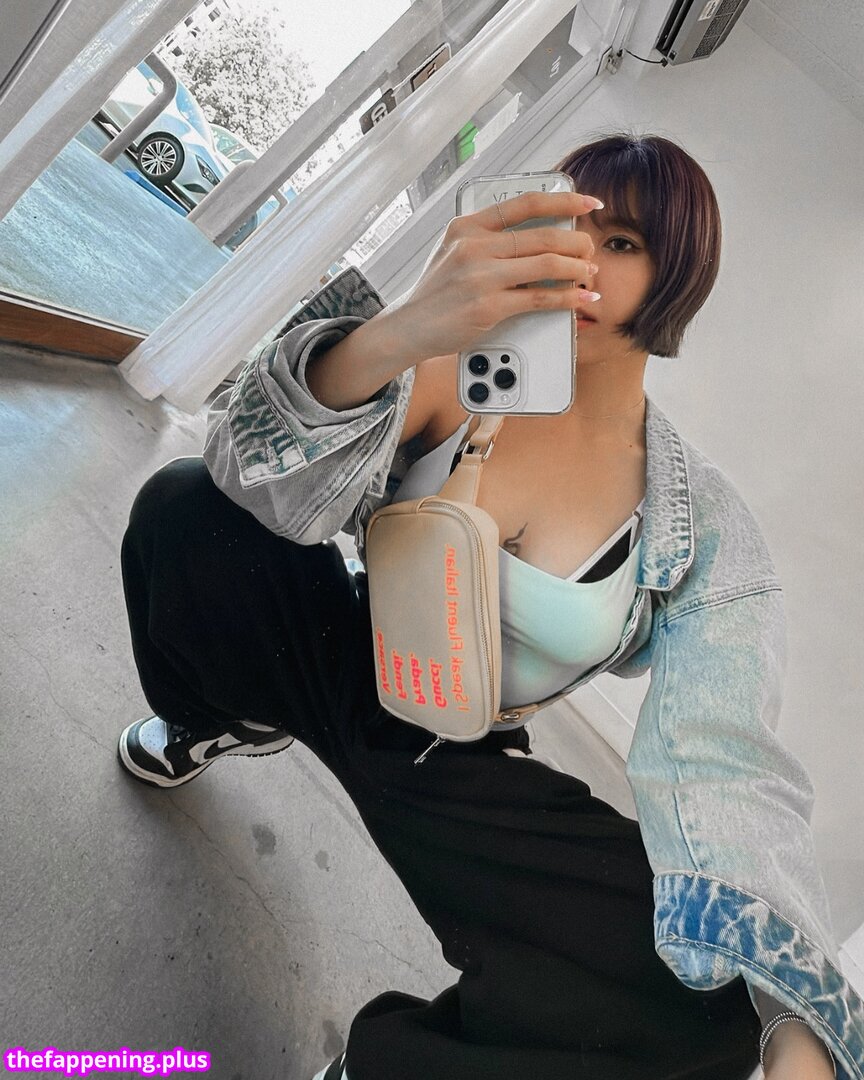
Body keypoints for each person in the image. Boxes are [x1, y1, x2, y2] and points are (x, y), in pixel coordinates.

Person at [116, 132, 862, 1079]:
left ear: (680, 274)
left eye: (621, 243)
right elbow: (247, 467)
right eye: (562, 228)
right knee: (186, 506)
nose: (578, 264)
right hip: (343, 640)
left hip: (455, 740)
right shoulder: (456, 365)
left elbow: (728, 756)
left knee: (698, 995)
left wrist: (800, 1020)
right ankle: (223, 716)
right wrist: (400, 332)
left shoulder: (699, 519)